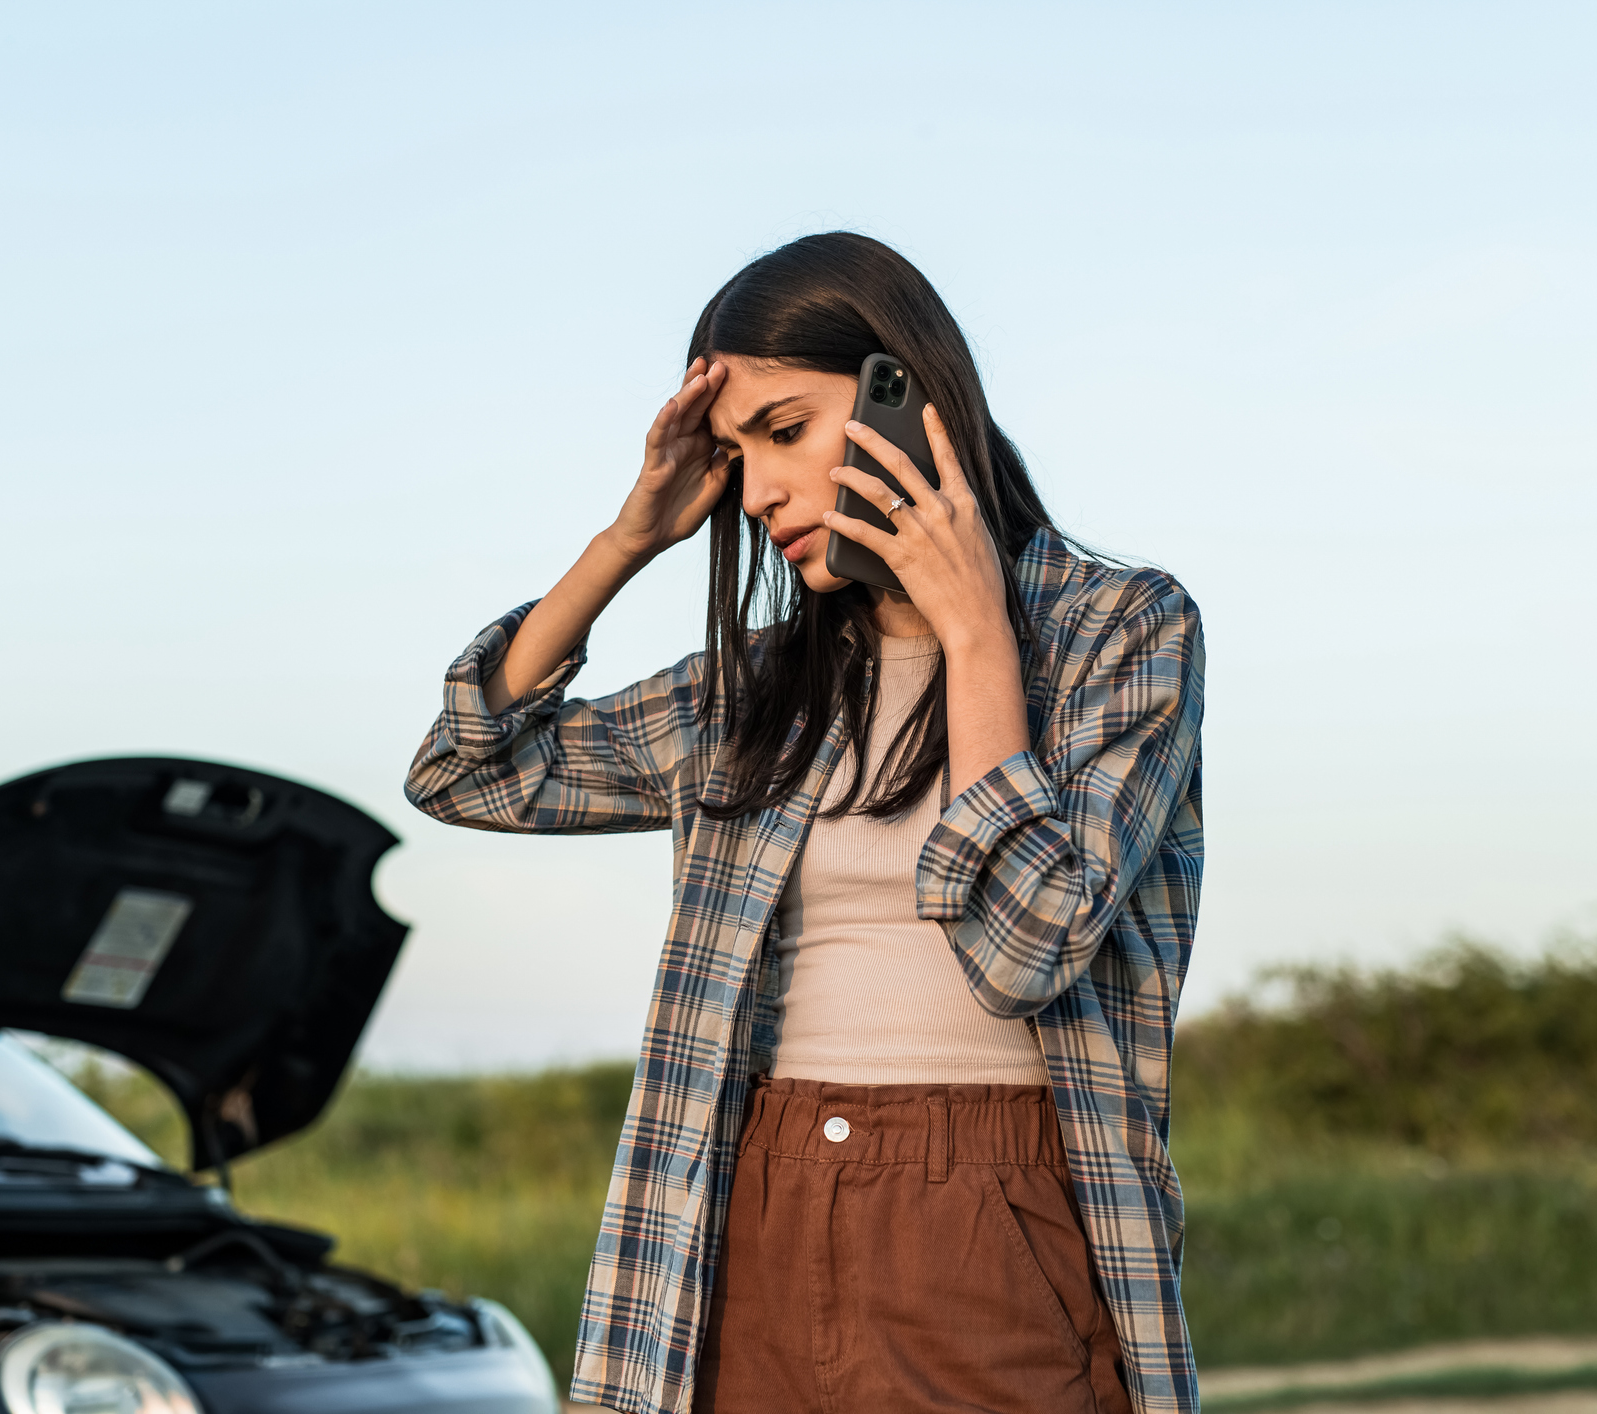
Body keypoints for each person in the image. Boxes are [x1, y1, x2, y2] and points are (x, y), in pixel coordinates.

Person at [406, 233, 1204, 1414]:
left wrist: (975, 633)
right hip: (756, 1206)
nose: (757, 491)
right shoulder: (755, 691)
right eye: (734, 455)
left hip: (995, 1213)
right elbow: (467, 770)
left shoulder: (1121, 633)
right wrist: (629, 538)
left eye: (784, 430)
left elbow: (1027, 946)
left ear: (906, 399)